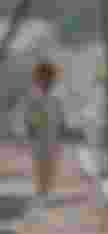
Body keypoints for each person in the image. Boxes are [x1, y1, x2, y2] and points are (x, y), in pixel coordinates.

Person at [23, 59, 65, 202]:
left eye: (49, 77)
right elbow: (28, 117)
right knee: (40, 163)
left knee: (51, 163)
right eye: (43, 77)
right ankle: (41, 191)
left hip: (53, 135)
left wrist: (62, 130)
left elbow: (60, 117)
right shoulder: (33, 96)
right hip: (39, 135)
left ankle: (47, 190)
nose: (47, 81)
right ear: (39, 79)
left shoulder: (57, 97)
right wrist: (30, 130)